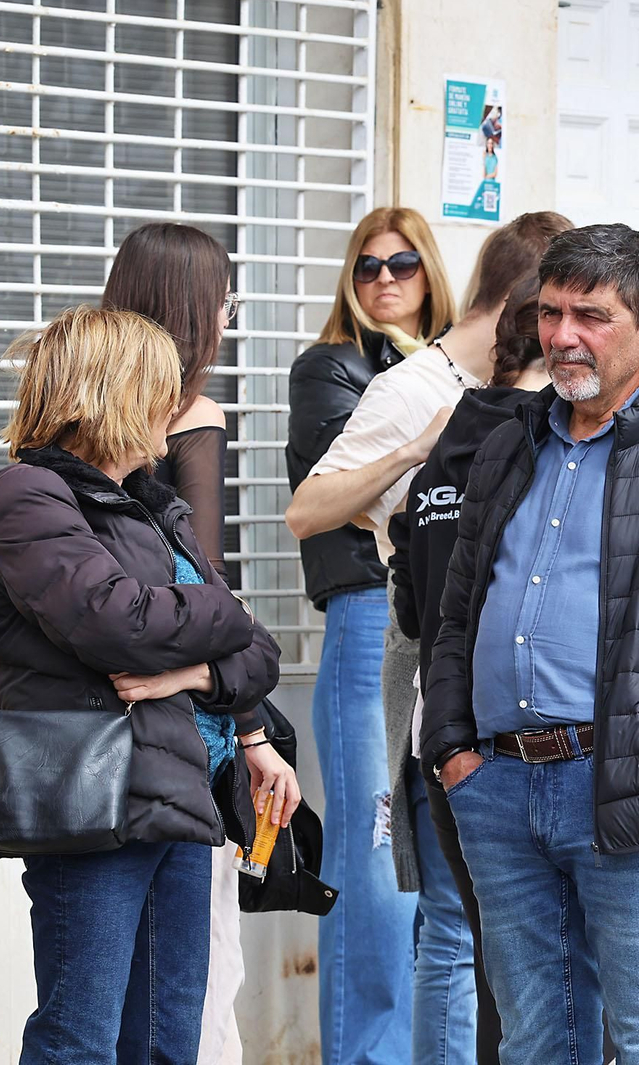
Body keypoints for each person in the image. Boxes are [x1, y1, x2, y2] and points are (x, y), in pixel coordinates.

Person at [288, 210, 568, 1064]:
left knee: (497, 921)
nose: (386, 279)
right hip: (413, 648)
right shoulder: (409, 388)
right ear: (526, 299)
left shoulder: (544, 394)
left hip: (520, 685)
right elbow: (308, 509)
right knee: (412, 896)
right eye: (561, 307)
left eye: (405, 262)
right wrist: (420, 448)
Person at [0, 305, 282, 1064]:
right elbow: (118, 621)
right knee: (79, 1039)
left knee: (167, 1041)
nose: (173, 411)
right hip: (93, 799)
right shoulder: (26, 495)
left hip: (178, 799)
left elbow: (260, 656)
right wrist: (227, 613)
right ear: (113, 392)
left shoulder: (154, 507)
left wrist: (197, 667)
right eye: (161, 390)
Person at [423, 223, 639, 1064]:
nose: (563, 336)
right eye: (551, 313)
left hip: (615, 787)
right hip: (498, 786)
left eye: (592, 315)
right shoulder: (511, 439)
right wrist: (453, 748)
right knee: (537, 1042)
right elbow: (455, 612)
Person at [103, 222, 301, 1065]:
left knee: (103, 995)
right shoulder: (189, 415)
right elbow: (206, 589)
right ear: (192, 310)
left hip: (90, 748)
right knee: (196, 986)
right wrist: (252, 731)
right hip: (187, 735)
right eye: (224, 300)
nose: (227, 317)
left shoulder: (81, 415)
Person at [284, 205, 456, 1065]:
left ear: (432, 273)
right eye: (367, 265)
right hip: (368, 615)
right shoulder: (333, 367)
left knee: (437, 867)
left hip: (445, 630)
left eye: (403, 263)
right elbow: (345, 501)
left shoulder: (457, 362)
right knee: (376, 859)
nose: (385, 279)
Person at [389, 275, 549, 1064]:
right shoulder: (546, 452)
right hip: (524, 745)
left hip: (446, 736)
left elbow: (412, 609)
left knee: (471, 952)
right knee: (542, 980)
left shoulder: (440, 459)